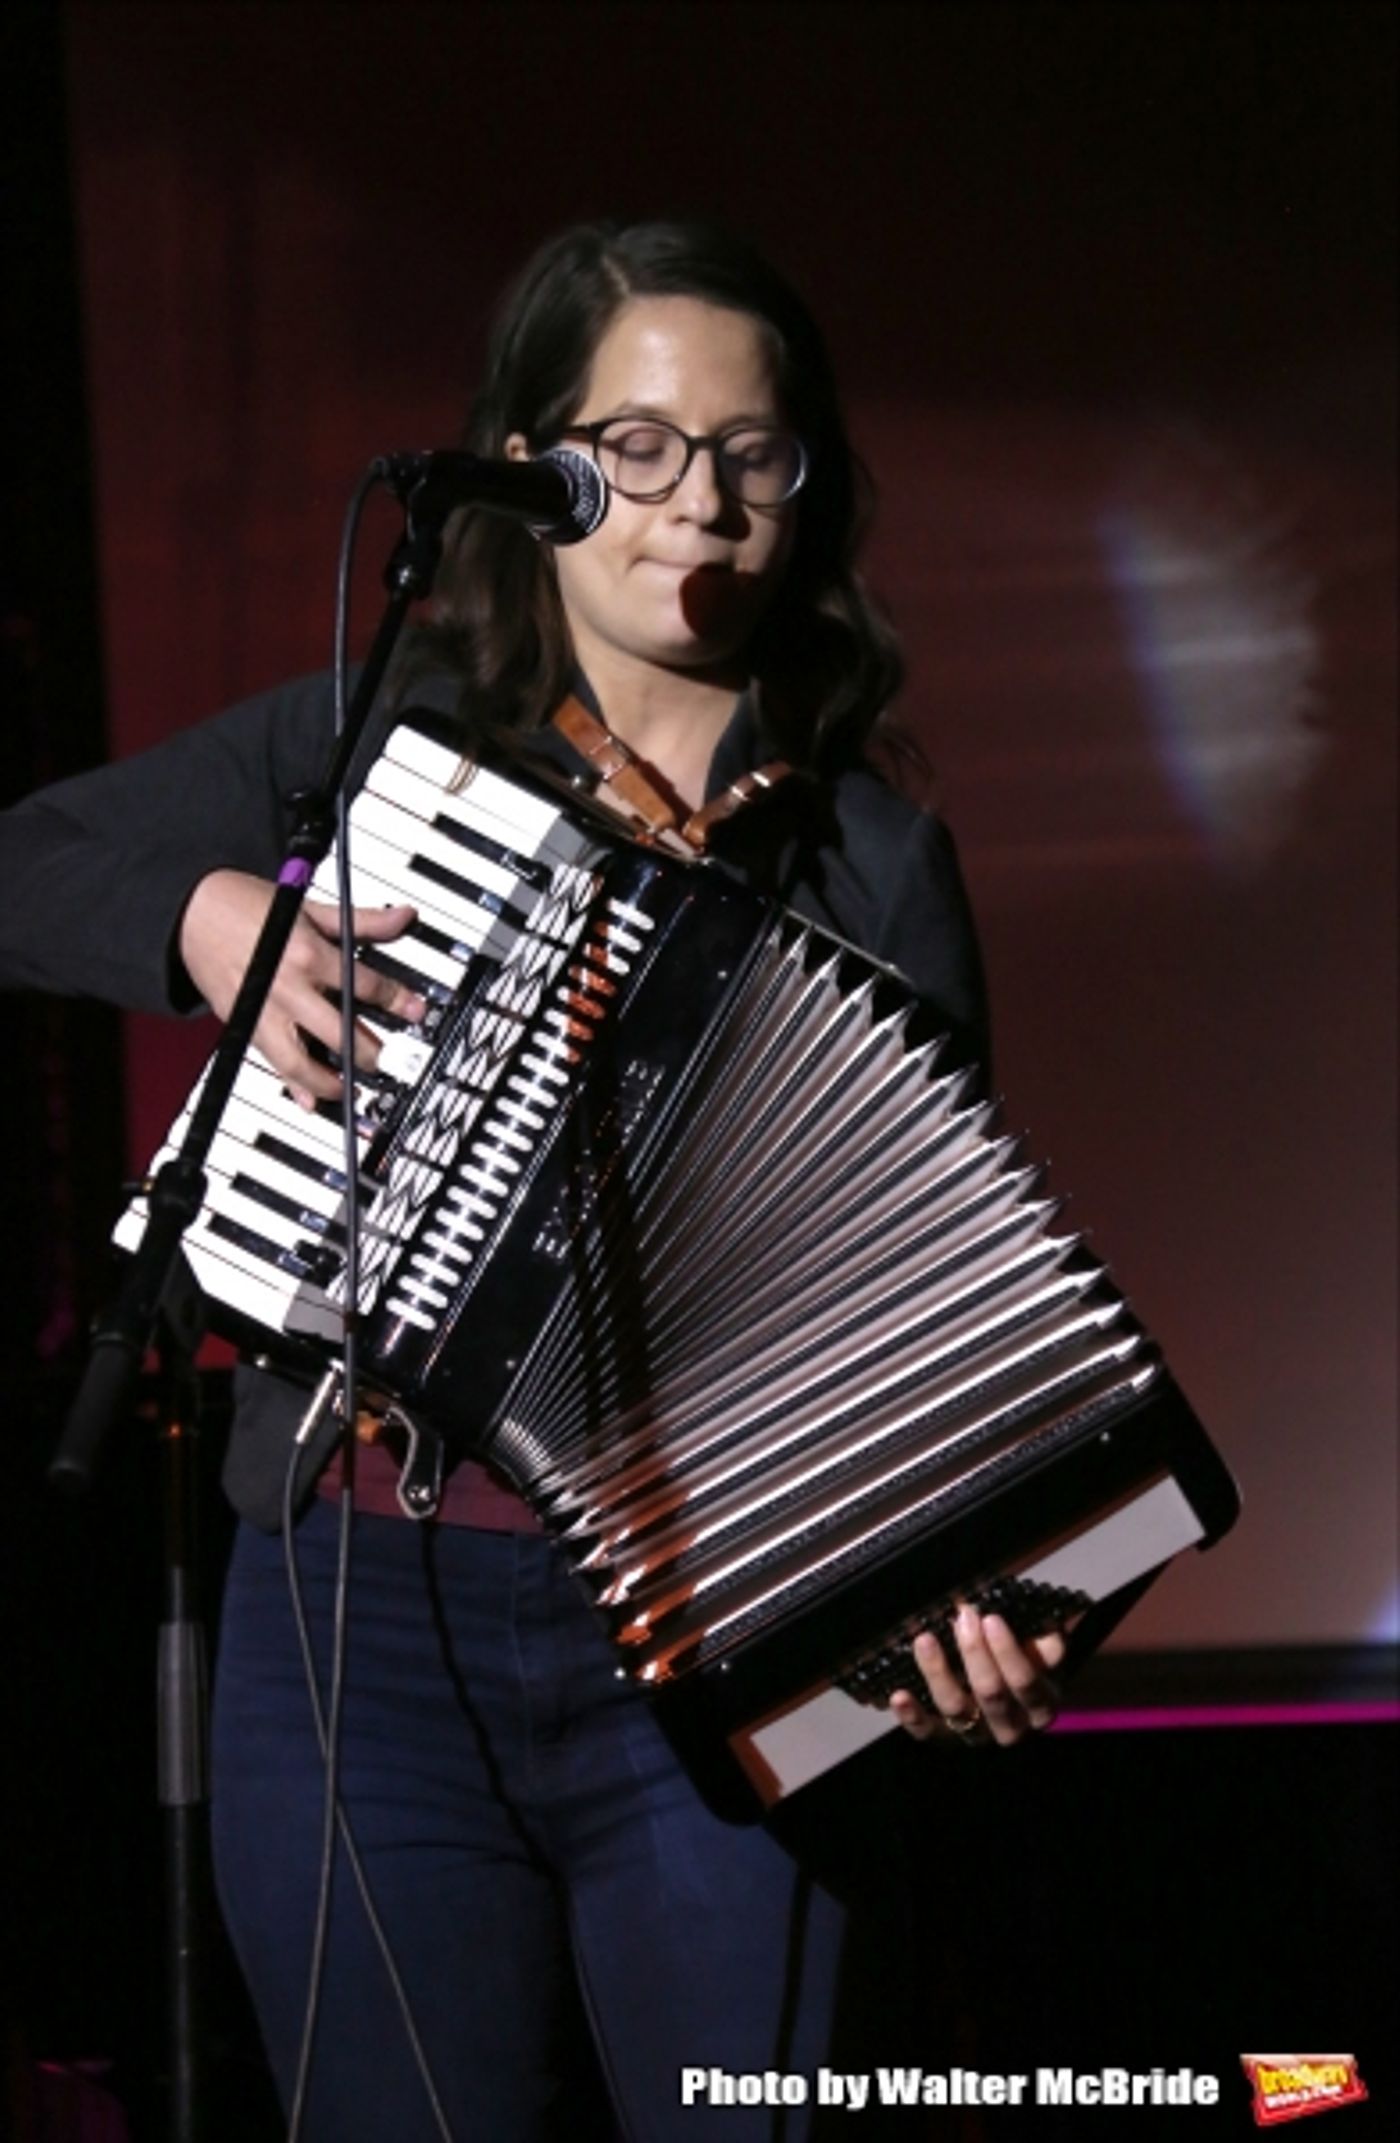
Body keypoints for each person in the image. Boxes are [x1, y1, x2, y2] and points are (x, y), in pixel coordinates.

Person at [0, 219, 1066, 2140]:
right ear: (537, 464)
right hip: (359, 1607)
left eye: (756, 455)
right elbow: (21, 864)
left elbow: (936, 1299)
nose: (703, 506)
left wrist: (957, 1594)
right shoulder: (373, 749)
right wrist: (208, 911)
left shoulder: (876, 865)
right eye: (639, 448)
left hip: (706, 1633)